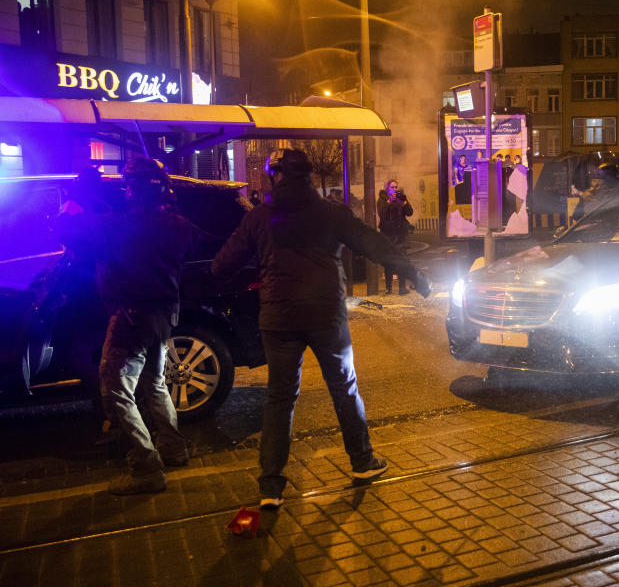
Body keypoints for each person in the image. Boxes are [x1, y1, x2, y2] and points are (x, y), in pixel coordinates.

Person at [212, 149, 430, 508]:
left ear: (272, 177)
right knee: (344, 388)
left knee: (280, 399)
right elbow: (375, 245)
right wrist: (416, 277)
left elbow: (222, 265)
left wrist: (262, 271)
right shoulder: (332, 213)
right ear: (308, 176)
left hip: (278, 319)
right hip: (325, 315)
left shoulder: (260, 218)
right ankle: (362, 462)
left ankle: (270, 486)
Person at [57, 158, 199, 495]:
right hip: (164, 315)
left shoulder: (120, 225)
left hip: (131, 317)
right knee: (155, 383)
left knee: (116, 389)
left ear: (133, 190)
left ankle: (146, 467)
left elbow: (67, 230)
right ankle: (174, 449)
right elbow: (187, 239)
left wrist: (79, 195)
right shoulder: (177, 224)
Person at [377, 178, 414, 294]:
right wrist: (389, 203)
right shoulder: (382, 200)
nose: (394, 190)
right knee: (389, 262)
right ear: (387, 189)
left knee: (402, 261)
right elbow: (382, 214)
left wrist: (404, 201)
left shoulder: (400, 199)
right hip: (388, 236)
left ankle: (402, 288)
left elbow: (409, 212)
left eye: (395, 187)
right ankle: (389, 289)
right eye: (392, 188)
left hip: (400, 235)